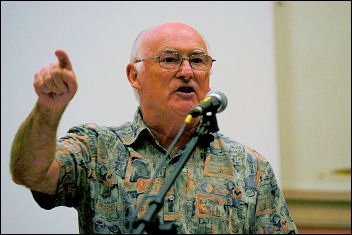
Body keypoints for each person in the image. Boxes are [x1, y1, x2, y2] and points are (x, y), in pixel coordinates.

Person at [10, 22, 298, 234]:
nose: (186, 72)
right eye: (169, 59)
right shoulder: (96, 149)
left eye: (197, 61)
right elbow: (31, 174)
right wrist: (48, 110)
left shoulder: (250, 168)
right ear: (134, 75)